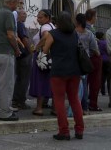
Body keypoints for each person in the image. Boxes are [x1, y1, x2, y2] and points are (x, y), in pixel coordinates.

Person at [41, 11, 84, 140]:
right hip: (74, 71)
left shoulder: (52, 34)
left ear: (58, 22)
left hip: (59, 71)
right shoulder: (74, 34)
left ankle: (64, 131)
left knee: (59, 101)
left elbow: (45, 50)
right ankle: (79, 130)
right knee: (74, 99)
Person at [0, 0, 22, 121]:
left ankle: (5, 108)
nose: (18, 5)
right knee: (7, 83)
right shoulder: (8, 14)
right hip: (6, 52)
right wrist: (17, 49)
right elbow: (11, 35)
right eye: (18, 2)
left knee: (2, 82)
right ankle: (5, 112)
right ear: (13, 2)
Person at [29, 9, 54, 116]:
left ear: (47, 18)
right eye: (37, 17)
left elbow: (46, 36)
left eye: (40, 17)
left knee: (40, 81)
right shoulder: (53, 26)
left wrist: (37, 47)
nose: (38, 19)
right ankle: (55, 108)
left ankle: (39, 108)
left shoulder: (45, 27)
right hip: (50, 58)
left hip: (42, 58)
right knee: (50, 82)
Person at [75, 13, 99, 114]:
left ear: (77, 22)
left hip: (74, 60)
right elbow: (95, 49)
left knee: (74, 84)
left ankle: (75, 106)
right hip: (85, 61)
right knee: (84, 85)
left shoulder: (73, 33)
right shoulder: (89, 33)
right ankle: (84, 108)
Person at [11, 8, 32, 111]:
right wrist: (31, 51)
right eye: (23, 14)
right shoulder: (20, 25)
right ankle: (21, 101)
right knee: (24, 79)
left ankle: (16, 100)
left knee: (20, 78)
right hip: (24, 55)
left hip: (20, 56)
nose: (25, 16)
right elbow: (24, 39)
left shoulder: (16, 25)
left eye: (26, 14)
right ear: (18, 15)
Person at [84, 8, 103, 111]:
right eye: (95, 16)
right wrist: (98, 53)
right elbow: (93, 45)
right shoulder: (89, 29)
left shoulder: (86, 27)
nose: (96, 18)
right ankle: (92, 103)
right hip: (92, 57)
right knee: (94, 82)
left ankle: (86, 102)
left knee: (85, 82)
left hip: (87, 57)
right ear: (91, 17)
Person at [96, 30, 109, 96]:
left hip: (100, 59)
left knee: (102, 77)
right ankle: (109, 91)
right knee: (109, 76)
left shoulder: (97, 42)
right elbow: (108, 50)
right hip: (107, 60)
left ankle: (103, 91)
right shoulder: (105, 42)